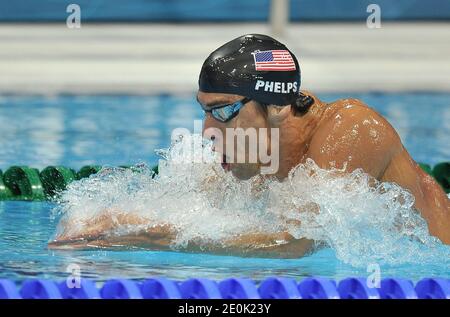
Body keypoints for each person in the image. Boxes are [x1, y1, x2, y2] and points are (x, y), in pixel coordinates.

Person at [49, 34, 449, 256]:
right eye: (205, 112)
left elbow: (295, 243)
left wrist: (146, 236)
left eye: (222, 112)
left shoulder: (352, 130)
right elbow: (194, 212)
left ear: (275, 106)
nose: (207, 131)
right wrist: (112, 221)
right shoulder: (251, 155)